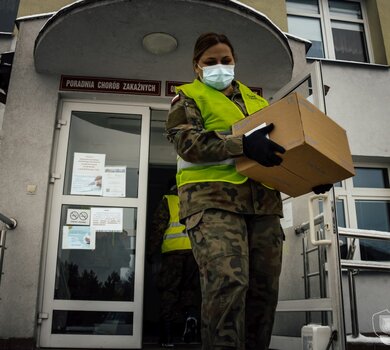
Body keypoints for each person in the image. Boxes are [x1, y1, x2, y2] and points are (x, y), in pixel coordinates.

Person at [165, 32, 332, 350]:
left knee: (263, 293)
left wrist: (311, 174)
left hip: (263, 208)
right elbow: (188, 143)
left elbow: (281, 151)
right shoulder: (187, 97)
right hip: (212, 204)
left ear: (234, 62)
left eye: (225, 60)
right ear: (197, 66)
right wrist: (242, 143)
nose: (219, 66)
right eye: (210, 61)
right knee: (228, 284)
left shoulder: (259, 103)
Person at [147, 178, 201, 348]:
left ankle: (167, 337)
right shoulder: (195, 198)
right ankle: (191, 318)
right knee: (190, 290)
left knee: (169, 292)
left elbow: (158, 227)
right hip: (193, 252)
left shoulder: (168, 200)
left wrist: (149, 252)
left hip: (173, 253)